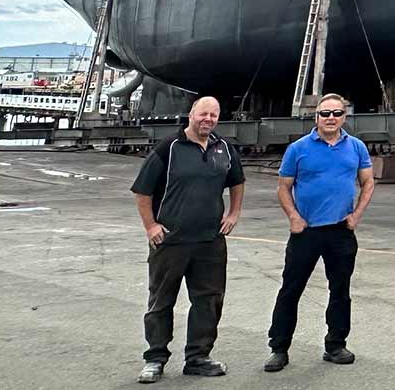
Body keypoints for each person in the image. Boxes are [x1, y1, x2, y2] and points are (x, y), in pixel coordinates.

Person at [130, 95, 245, 383]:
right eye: (203, 114)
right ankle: (155, 358)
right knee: (161, 300)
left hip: (210, 240)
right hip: (170, 240)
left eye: (214, 115)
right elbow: (142, 191)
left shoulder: (224, 148)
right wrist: (151, 226)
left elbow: (237, 181)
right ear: (192, 114)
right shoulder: (168, 148)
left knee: (208, 300)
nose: (208, 119)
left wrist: (233, 214)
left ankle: (198, 357)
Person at [265, 92, 375, 372]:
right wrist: (293, 217)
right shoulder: (299, 149)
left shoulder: (357, 147)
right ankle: (279, 348)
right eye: (325, 113)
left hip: (340, 231)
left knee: (340, 290)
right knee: (291, 289)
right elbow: (283, 187)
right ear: (316, 117)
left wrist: (357, 215)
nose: (331, 118)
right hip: (306, 232)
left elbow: (368, 183)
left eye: (336, 113)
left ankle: (336, 344)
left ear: (344, 116)